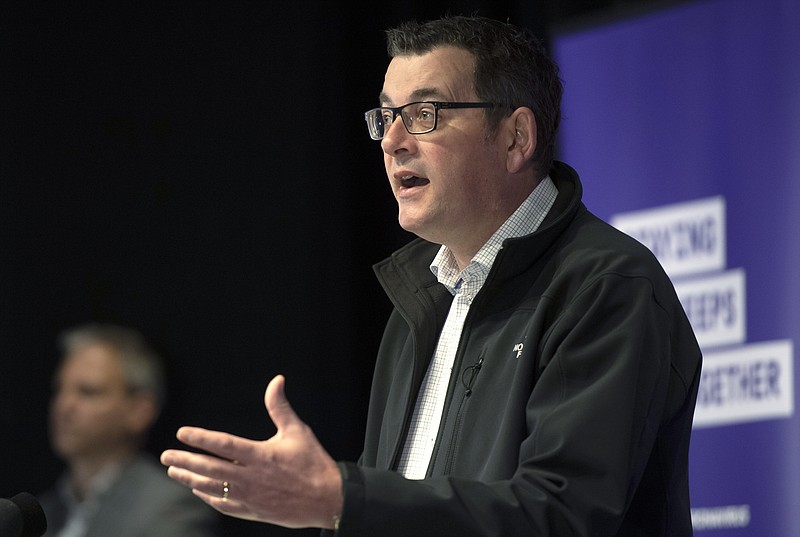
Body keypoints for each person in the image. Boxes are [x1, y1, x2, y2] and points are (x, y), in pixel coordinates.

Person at [160, 15, 703, 536]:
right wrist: (331, 510)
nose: (393, 141)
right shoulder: (420, 300)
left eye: (425, 114)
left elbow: (562, 516)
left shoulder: (604, 286)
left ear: (516, 137)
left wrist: (343, 500)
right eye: (385, 117)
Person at [38, 323, 220, 537]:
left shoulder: (168, 506)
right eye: (59, 389)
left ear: (139, 411)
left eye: (88, 392)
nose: (64, 405)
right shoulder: (41, 510)